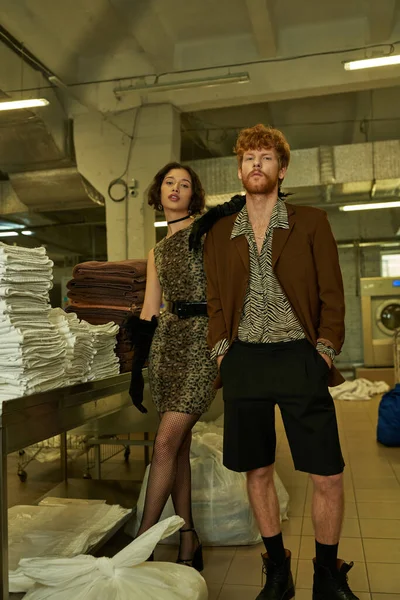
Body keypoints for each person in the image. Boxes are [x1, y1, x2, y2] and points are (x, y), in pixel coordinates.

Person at [202, 124, 358, 599]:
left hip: (299, 357)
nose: (256, 164)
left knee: (327, 473)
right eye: (249, 157)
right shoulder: (220, 233)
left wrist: (324, 350)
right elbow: (213, 300)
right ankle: (277, 571)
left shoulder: (310, 222)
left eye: (266, 157)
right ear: (239, 168)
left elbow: (333, 293)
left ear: (281, 169)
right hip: (244, 359)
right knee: (258, 470)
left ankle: (328, 576)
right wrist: (222, 352)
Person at [128, 162, 217, 571]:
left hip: (202, 344)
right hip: (167, 347)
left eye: (185, 184)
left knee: (164, 443)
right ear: (159, 192)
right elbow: (150, 310)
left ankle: (140, 546)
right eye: (169, 182)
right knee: (176, 448)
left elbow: (226, 292)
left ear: (193, 194)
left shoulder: (206, 233)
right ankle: (188, 539)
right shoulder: (157, 249)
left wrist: (223, 351)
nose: (176, 189)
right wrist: (136, 368)